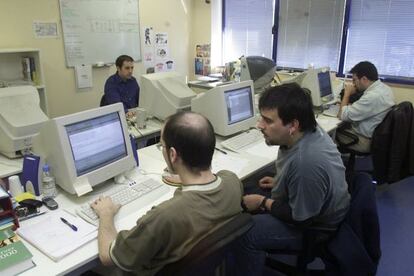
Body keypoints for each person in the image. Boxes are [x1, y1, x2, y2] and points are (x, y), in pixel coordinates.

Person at [91, 111, 244, 275]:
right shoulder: (233, 181)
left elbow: (107, 256)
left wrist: (106, 214)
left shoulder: (164, 216)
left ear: (173, 154)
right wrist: (185, 179)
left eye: (161, 145)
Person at [232, 83, 350, 276]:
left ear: (293, 125)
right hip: (317, 205)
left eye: (268, 121)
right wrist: (281, 180)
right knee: (252, 186)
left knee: (243, 233)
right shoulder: (308, 132)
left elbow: (301, 219)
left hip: (315, 227)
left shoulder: (307, 162)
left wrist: (263, 202)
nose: (259, 125)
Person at [336, 61, 395, 153]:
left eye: (354, 80)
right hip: (373, 136)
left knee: (327, 134)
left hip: (363, 140)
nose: (353, 83)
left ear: (364, 79)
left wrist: (347, 94)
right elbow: (366, 108)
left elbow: (342, 115)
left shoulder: (373, 96)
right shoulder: (384, 88)